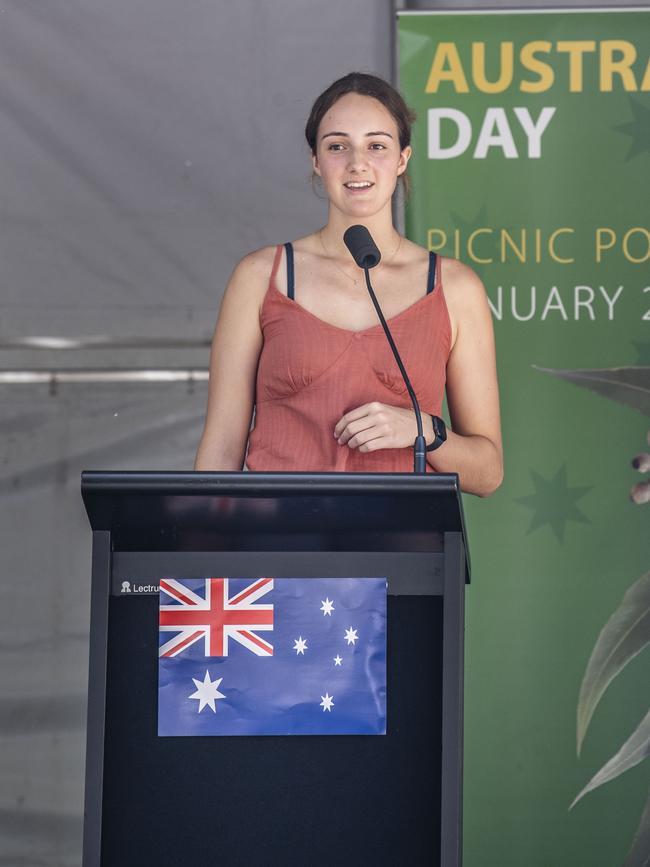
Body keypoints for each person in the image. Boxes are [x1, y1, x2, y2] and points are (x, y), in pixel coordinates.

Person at [194, 72, 502, 497]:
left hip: (403, 551)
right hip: (279, 547)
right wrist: (206, 552)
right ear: (316, 162)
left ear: (402, 159)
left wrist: (425, 431)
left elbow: (487, 474)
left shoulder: (455, 287)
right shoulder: (260, 276)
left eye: (377, 145)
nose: (358, 163)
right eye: (338, 146)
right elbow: (220, 452)